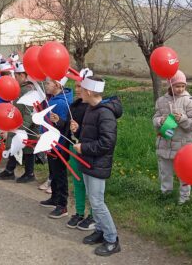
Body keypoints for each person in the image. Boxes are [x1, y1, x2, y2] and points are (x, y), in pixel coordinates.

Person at [72, 75, 123, 257]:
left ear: (90, 91)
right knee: (93, 200)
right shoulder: (91, 109)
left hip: (97, 164)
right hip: (88, 161)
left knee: (98, 203)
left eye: (82, 89)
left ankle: (112, 239)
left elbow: (107, 143)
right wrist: (77, 130)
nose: (79, 92)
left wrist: (83, 147)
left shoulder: (105, 113)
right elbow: (91, 134)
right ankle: (101, 231)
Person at [51, 68, 96, 230]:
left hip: (87, 149)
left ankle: (93, 214)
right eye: (76, 86)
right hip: (73, 147)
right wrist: (60, 122)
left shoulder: (93, 108)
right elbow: (70, 128)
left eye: (80, 86)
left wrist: (79, 129)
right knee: (77, 182)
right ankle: (79, 212)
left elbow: (92, 131)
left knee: (90, 185)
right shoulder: (74, 105)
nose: (77, 89)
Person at [153, 70, 192, 205]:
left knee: (184, 173)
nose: (180, 89)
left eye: (183, 86)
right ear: (170, 86)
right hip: (165, 143)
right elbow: (155, 118)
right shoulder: (161, 101)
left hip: (183, 145)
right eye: (177, 86)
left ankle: (184, 198)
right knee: (165, 172)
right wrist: (159, 121)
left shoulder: (189, 101)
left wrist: (183, 119)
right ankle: (165, 194)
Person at [0, 63, 38, 183]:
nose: (15, 78)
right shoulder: (21, 88)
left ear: (23, 75)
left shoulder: (28, 90)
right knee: (15, 145)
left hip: (28, 126)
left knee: (28, 149)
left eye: (17, 75)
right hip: (20, 123)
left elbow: (29, 112)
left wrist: (23, 127)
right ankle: (10, 170)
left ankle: (29, 173)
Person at [39, 77, 73, 219]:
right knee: (53, 171)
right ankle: (54, 197)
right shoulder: (53, 99)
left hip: (58, 145)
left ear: (57, 84)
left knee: (60, 174)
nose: (46, 86)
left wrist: (57, 144)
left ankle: (62, 205)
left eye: (48, 83)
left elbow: (63, 127)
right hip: (49, 142)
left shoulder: (62, 103)